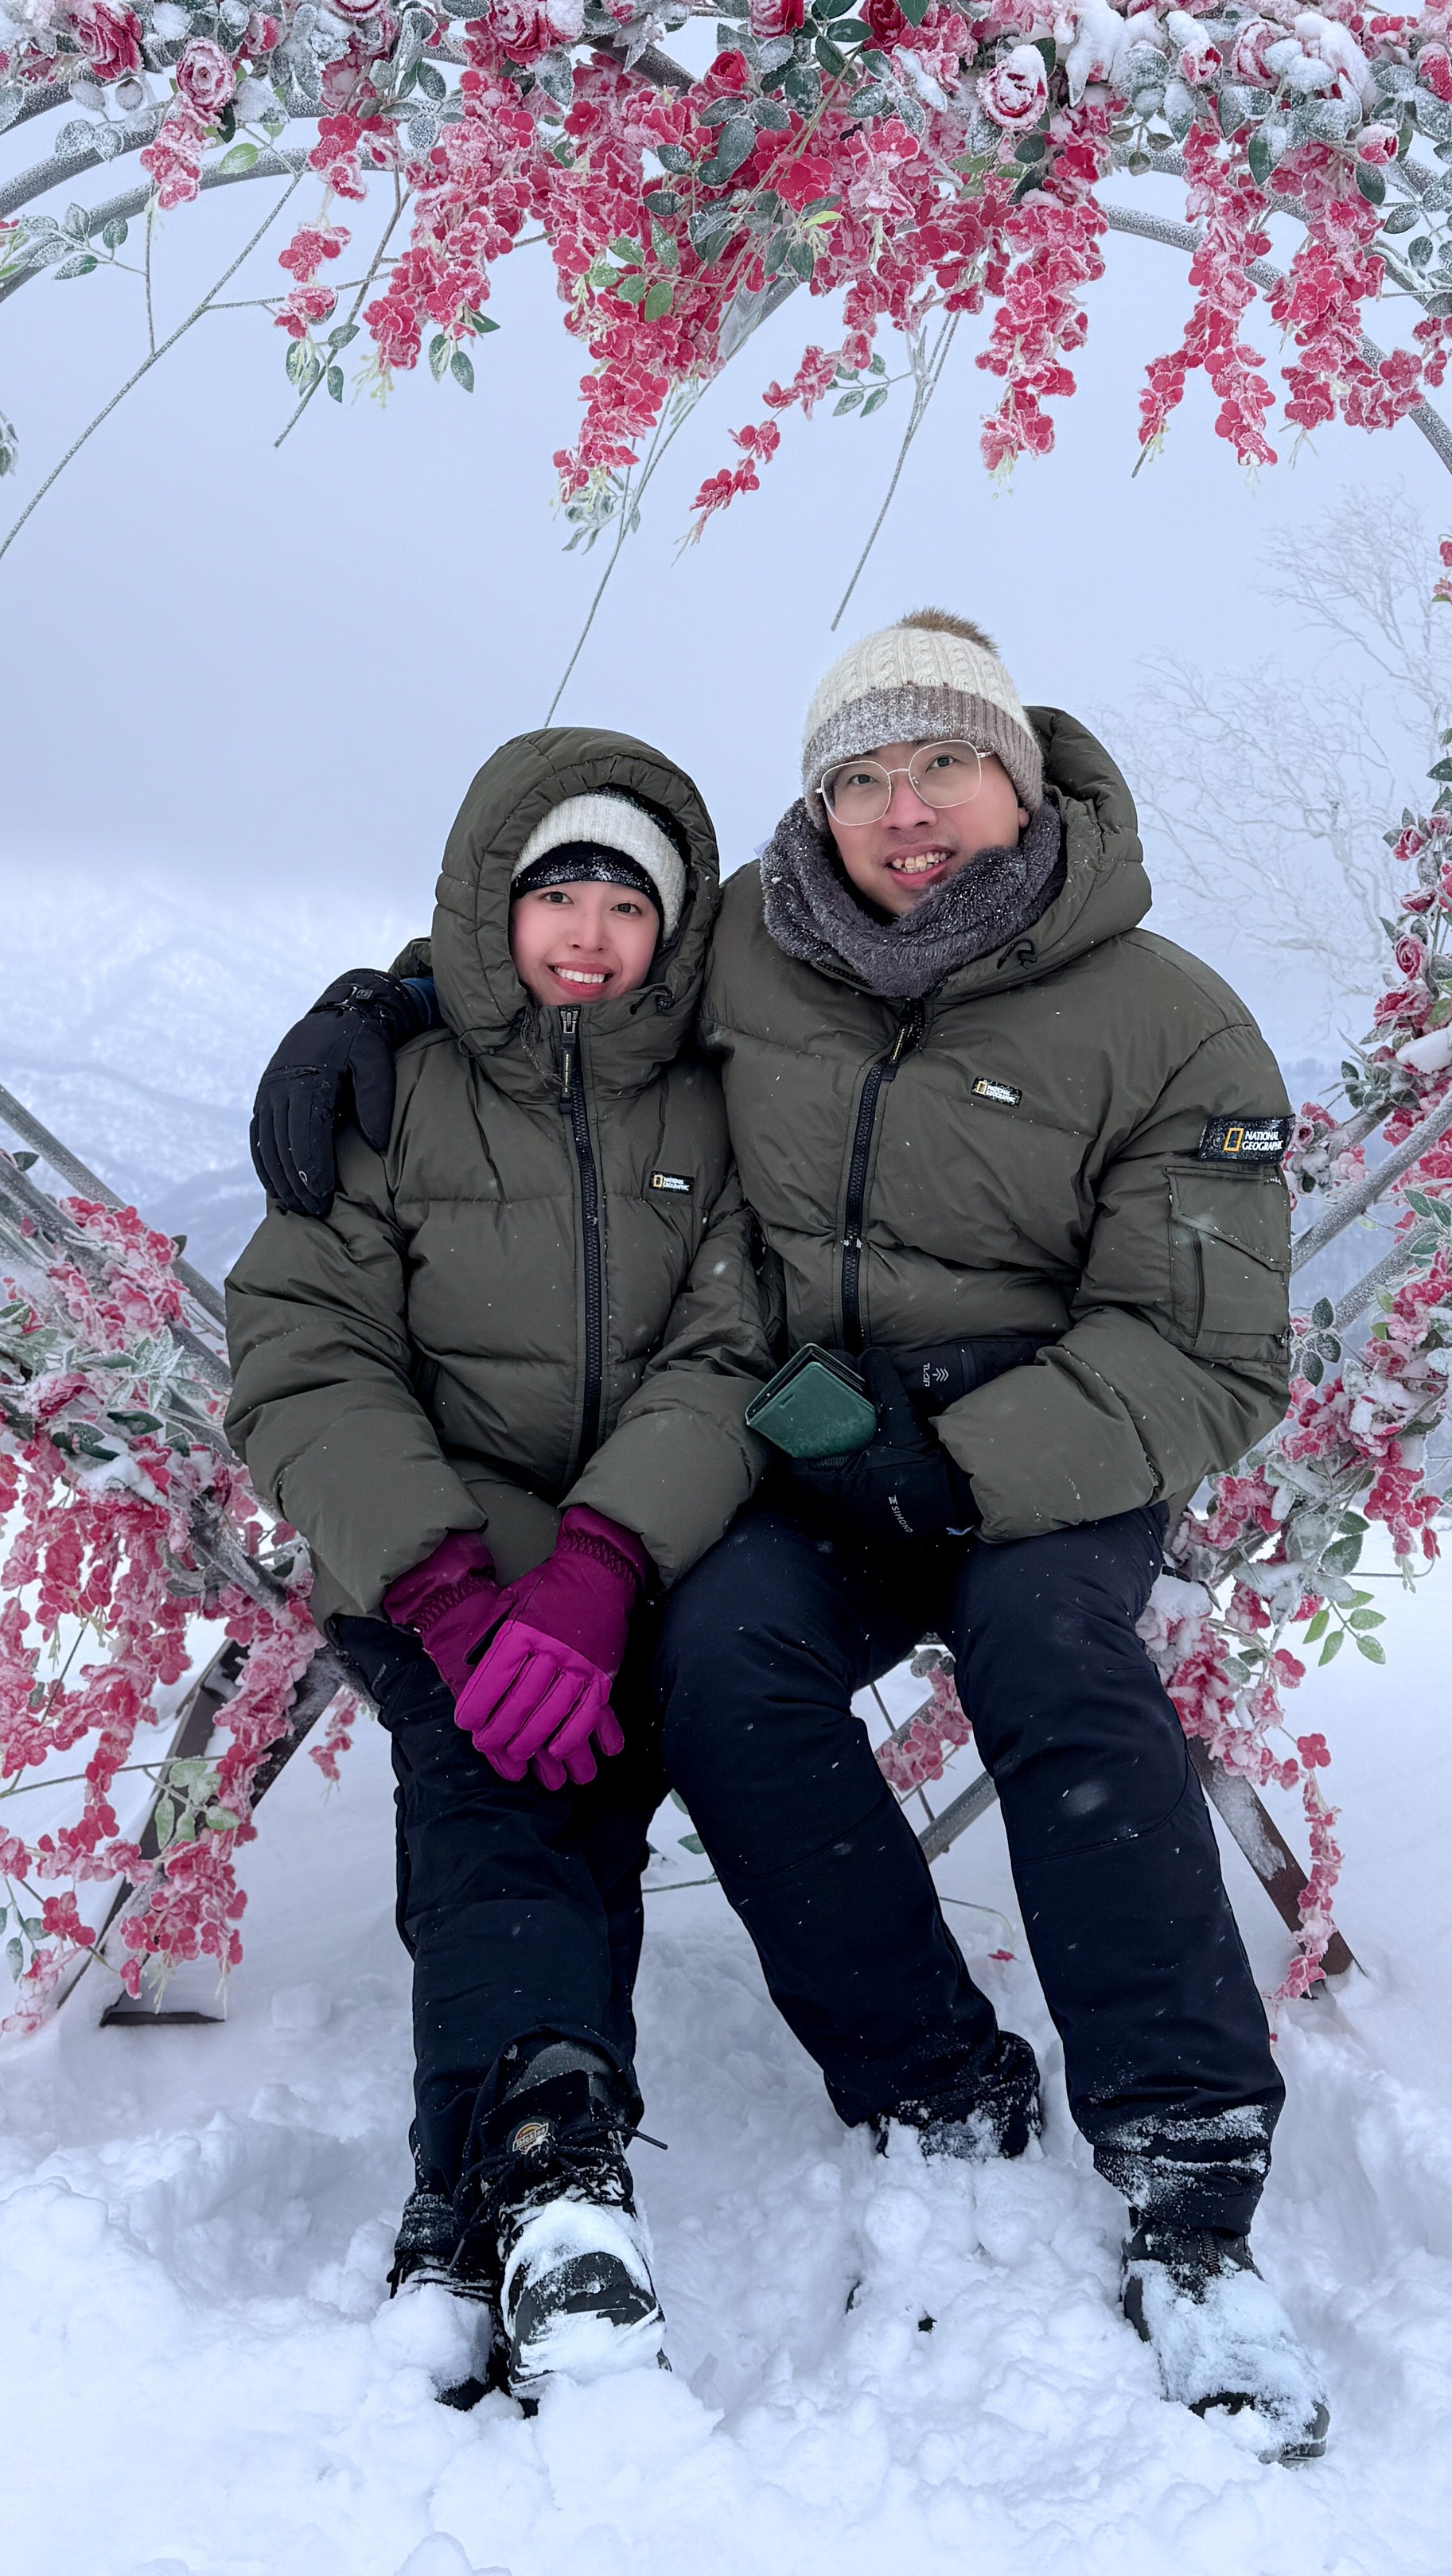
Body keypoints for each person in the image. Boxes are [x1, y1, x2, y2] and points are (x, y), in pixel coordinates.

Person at [247, 618, 1329, 2461]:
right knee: (720, 1660)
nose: (905, 815)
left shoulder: (1167, 1016)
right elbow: (565, 981)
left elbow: (1208, 1351)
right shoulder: (759, 940)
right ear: (816, 807)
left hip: (1041, 1451)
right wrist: (372, 1005)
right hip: (806, 1444)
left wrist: (967, 1459)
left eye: (943, 770)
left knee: (1049, 1659)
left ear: (1023, 780)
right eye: (862, 779)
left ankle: (1188, 2163)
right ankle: (925, 2068)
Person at [225, 730, 775, 2406]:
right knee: (484, 1772)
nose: (591, 933)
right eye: (557, 893)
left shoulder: (720, 1097)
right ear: (494, 903)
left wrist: (603, 1561)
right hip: (436, 1561)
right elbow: (305, 1350)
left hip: (641, 1551)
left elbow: (731, 1345)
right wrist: (456, 1593)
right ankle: (551, 2163)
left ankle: (476, 2198)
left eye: (629, 899)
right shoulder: (391, 1086)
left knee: (570, 1791)